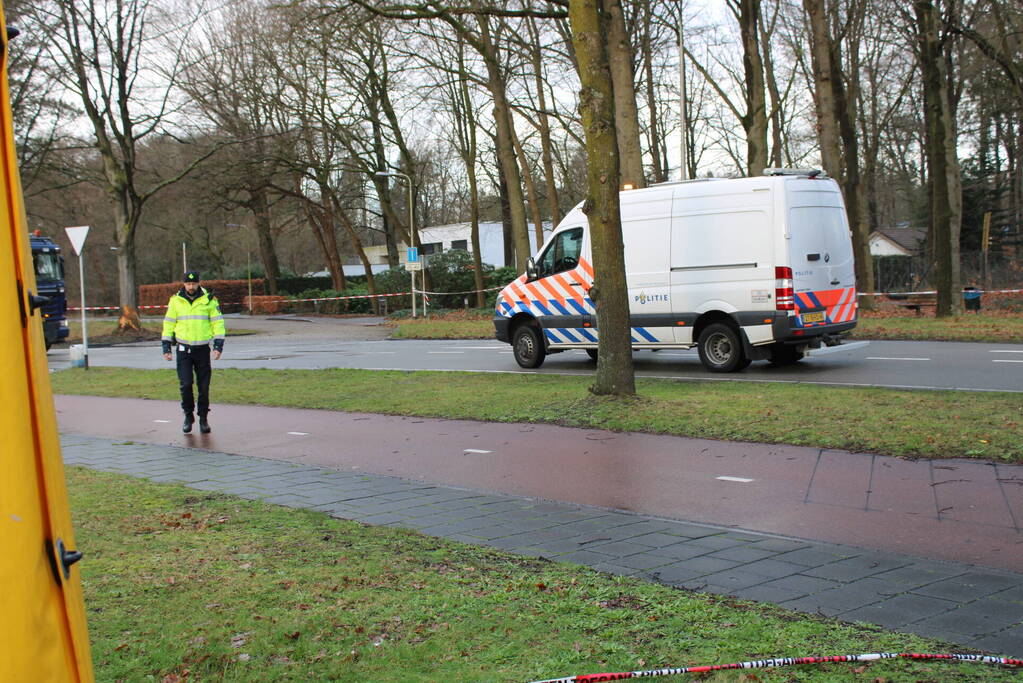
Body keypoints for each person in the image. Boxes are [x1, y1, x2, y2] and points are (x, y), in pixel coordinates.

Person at [162, 271, 225, 433]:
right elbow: (168, 324)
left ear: (198, 283)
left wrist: (218, 346)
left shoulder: (209, 300)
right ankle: (188, 415)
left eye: (194, 284)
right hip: (183, 350)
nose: (191, 287)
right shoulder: (175, 301)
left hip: (202, 350)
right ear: (183, 284)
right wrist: (166, 347)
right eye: (188, 284)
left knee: (204, 387)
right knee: (186, 384)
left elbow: (218, 323)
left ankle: (203, 418)